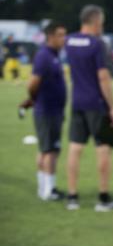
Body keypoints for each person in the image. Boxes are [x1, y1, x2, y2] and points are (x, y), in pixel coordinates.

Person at [64, 5, 113, 211]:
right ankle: (103, 198)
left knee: (75, 148)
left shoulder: (69, 41)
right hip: (96, 103)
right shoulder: (97, 44)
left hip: (77, 101)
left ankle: (72, 197)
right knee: (103, 149)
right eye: (102, 22)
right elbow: (103, 77)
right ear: (96, 21)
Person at [19, 22, 67, 201]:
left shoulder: (53, 55)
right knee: (51, 151)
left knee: (45, 149)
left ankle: (43, 188)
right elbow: (32, 83)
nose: (64, 39)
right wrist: (34, 98)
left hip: (52, 110)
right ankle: (49, 190)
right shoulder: (44, 56)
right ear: (51, 37)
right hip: (48, 111)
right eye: (61, 35)